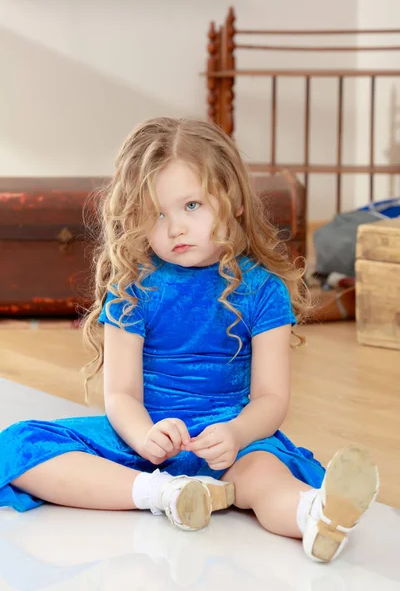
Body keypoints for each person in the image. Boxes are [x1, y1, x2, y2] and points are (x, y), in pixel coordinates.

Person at [0, 117, 379, 563]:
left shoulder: (263, 289)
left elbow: (272, 398)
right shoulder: (133, 288)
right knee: (17, 445)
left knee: (264, 474)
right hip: (149, 437)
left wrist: (236, 434)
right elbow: (121, 394)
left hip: (233, 445)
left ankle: (314, 517)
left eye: (192, 206)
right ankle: (162, 493)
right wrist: (145, 438)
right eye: (157, 214)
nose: (175, 227)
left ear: (234, 199)